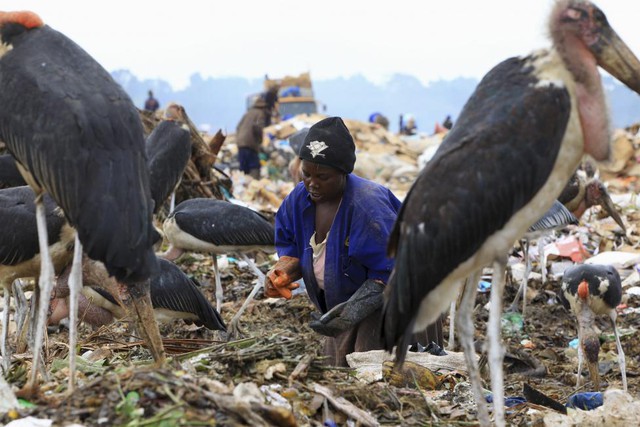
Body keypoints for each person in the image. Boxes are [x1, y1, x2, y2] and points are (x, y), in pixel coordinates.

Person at [264, 117, 441, 366]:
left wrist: (349, 314)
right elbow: (292, 246)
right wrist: (282, 272)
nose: (312, 183)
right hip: (342, 310)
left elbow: (391, 272)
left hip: (392, 309)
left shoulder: (368, 207)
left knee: (378, 380)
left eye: (323, 176)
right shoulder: (299, 200)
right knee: (340, 378)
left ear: (343, 173)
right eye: (307, 174)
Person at [235, 89, 277, 179]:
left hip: (241, 143)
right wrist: (259, 142)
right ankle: (253, 186)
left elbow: (238, 127)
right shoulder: (260, 113)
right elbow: (257, 127)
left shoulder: (249, 112)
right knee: (254, 166)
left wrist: (239, 139)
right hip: (250, 144)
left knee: (243, 168)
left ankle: (244, 188)